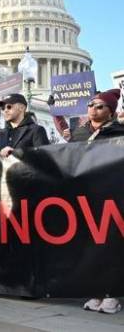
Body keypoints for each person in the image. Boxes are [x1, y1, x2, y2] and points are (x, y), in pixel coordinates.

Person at [73, 89, 123, 315]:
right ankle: (96, 292)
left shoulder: (119, 132)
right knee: (90, 246)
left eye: (101, 106)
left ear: (111, 112)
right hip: (85, 197)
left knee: (110, 246)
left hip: (111, 196)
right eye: (91, 104)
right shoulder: (80, 133)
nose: (94, 109)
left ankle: (111, 294)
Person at [0, 94, 49, 158]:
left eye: (9, 107)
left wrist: (15, 153)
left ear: (21, 108)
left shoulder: (36, 130)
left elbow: (45, 157)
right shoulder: (1, 133)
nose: (5, 110)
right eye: (3, 108)